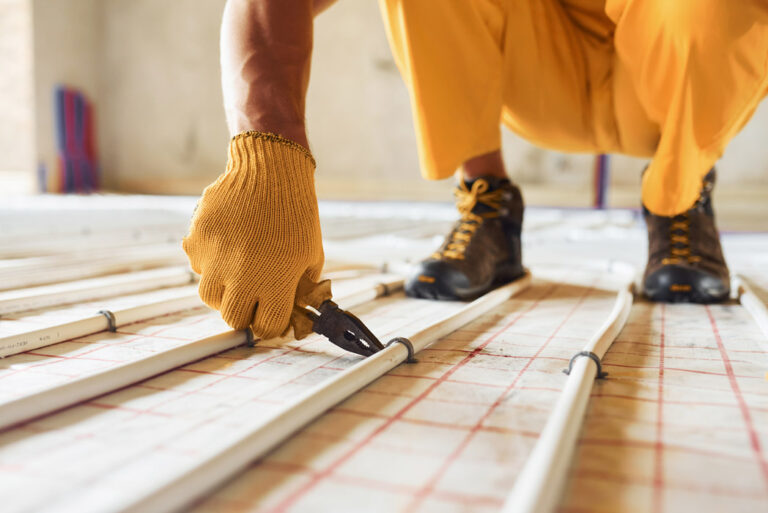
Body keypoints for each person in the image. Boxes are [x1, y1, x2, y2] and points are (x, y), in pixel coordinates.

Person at [183, 0, 768, 340]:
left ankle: (680, 198)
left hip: (673, 63)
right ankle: (488, 202)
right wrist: (267, 150)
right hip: (542, 71)